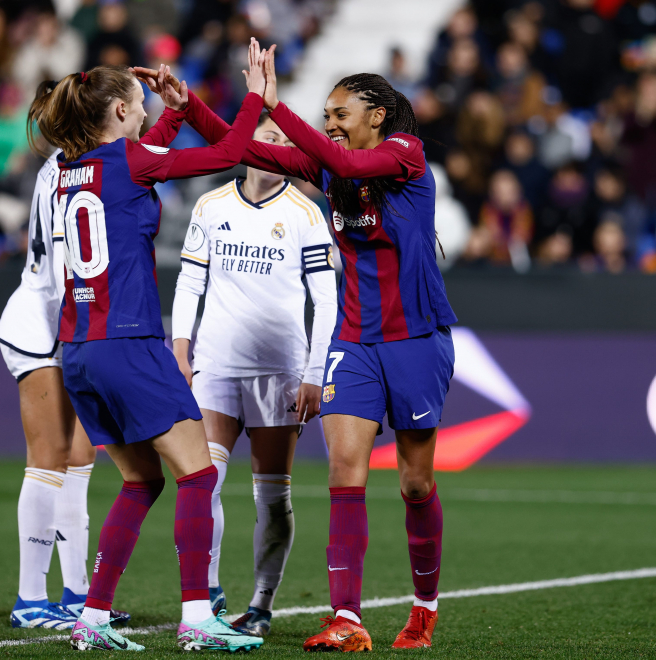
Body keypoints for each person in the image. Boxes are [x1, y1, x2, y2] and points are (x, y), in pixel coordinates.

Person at [149, 45, 457, 651]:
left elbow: (339, 158)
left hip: (417, 340)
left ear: (378, 115)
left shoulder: (406, 155)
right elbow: (245, 149)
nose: (331, 121)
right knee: (346, 473)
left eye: (340, 111)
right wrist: (189, 110)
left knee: (415, 485)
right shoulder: (333, 171)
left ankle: (423, 608)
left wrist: (274, 103)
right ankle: (347, 617)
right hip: (355, 343)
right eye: (326, 113)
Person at [27, 41, 268, 653]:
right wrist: (257, 98)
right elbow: (231, 153)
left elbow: (145, 154)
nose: (143, 112)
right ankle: (197, 617)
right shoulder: (132, 162)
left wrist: (176, 106)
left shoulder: (71, 172)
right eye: (137, 105)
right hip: (127, 340)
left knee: (142, 482)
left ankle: (93, 616)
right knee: (197, 473)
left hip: (78, 349)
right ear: (117, 115)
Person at [168, 102, 338, 637]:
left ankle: (262, 602)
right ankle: (210, 591)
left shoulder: (306, 214)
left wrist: (313, 371)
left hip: (279, 372)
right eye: (268, 136)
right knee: (204, 482)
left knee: (272, 495)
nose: (278, 147)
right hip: (216, 366)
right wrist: (180, 346)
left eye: (287, 141)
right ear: (246, 144)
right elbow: (190, 282)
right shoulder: (211, 205)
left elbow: (326, 299)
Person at [0, 141, 136, 630]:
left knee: (79, 458)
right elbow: (63, 265)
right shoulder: (71, 169)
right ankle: (30, 599)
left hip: (62, 324)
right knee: (50, 459)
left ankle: (77, 592)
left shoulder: (65, 162)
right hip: (43, 325)